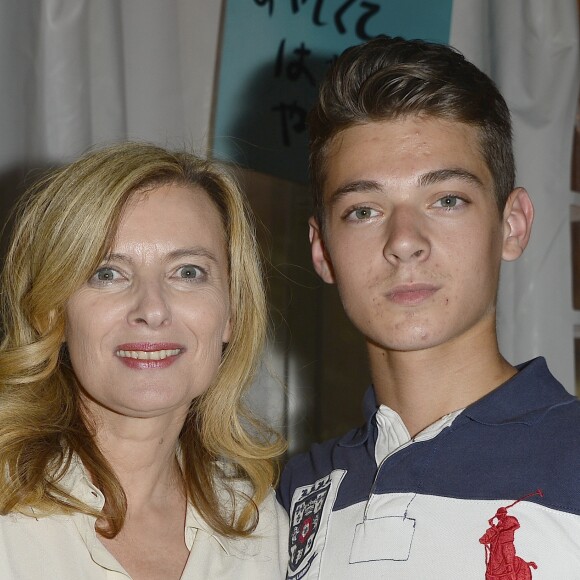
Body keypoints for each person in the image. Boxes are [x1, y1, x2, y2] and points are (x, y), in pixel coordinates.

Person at [277, 36, 580, 578]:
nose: (404, 240)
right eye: (364, 210)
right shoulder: (291, 496)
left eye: (446, 200)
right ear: (322, 251)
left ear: (512, 226)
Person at [0, 142, 288, 579]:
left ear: (231, 312)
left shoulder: (257, 523)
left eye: (188, 272)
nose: (152, 309)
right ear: (54, 310)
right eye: (107, 273)